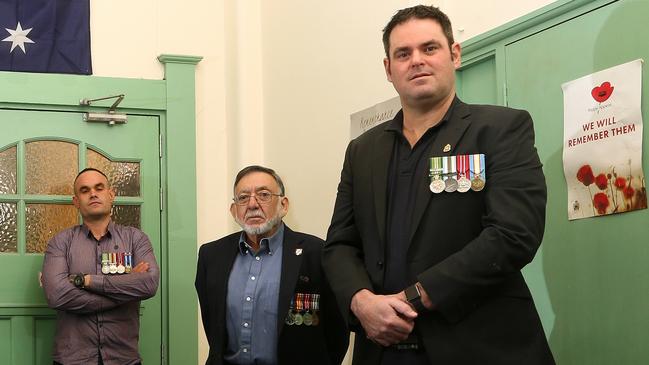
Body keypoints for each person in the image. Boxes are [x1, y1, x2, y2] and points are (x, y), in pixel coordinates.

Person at [323, 5, 555, 365]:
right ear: (388, 69)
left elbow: (514, 233)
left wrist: (416, 296)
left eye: (429, 48)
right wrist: (360, 301)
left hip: (480, 346)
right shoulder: (362, 151)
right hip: (383, 349)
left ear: (454, 54)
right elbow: (339, 245)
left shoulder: (499, 130)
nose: (417, 60)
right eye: (403, 53)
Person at [195, 165, 348, 365]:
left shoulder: (316, 253)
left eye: (264, 194)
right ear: (234, 211)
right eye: (242, 198)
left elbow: (337, 329)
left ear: (283, 205)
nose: (252, 204)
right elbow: (212, 323)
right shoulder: (212, 255)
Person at [42, 168, 159, 365]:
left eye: (99, 188)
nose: (93, 193)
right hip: (72, 360)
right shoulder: (60, 242)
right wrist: (124, 291)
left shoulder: (136, 239)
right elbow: (57, 295)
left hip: (124, 359)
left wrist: (86, 281)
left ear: (111, 195)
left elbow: (149, 284)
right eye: (85, 190)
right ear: (76, 201)